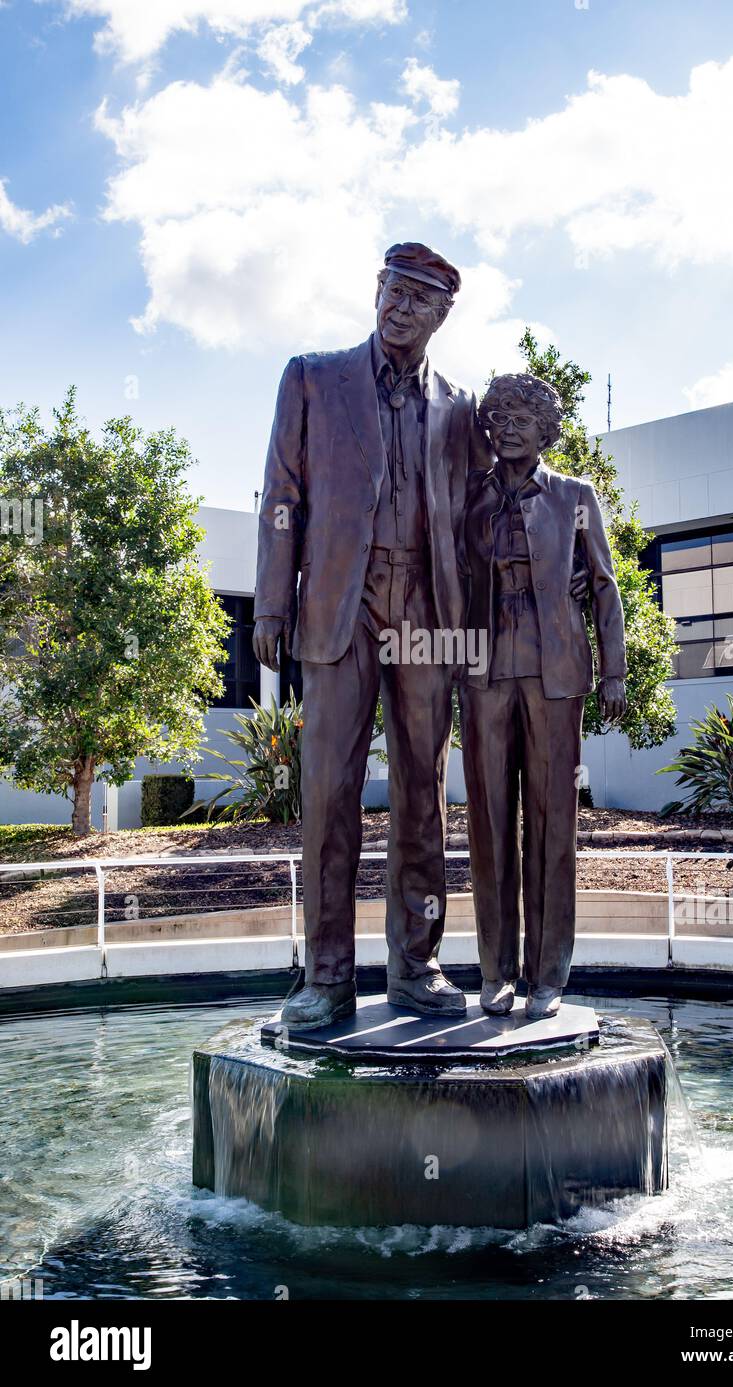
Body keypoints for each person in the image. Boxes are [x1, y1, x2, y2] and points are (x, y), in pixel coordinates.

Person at [253, 242, 490, 1030]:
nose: (397, 308)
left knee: (423, 790)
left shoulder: (461, 408)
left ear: (441, 316)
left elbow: (479, 522)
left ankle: (417, 966)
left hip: (426, 606)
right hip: (339, 604)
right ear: (377, 290)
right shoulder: (313, 378)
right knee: (328, 791)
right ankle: (325, 975)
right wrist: (271, 606)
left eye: (417, 300)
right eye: (391, 290)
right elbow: (282, 496)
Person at [460, 372, 627, 1020]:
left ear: (544, 430)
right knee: (490, 826)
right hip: (484, 675)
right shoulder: (468, 500)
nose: (506, 429)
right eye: (498, 419)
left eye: (520, 420)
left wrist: (614, 672)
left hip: (556, 673)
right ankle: (496, 973)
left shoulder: (574, 496)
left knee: (553, 826)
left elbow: (606, 587)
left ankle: (547, 973)